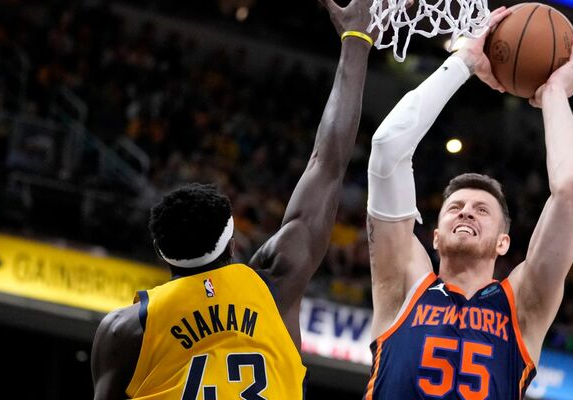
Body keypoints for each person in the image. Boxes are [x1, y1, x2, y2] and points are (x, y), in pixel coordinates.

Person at [90, 0, 378, 398]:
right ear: (232, 239)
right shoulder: (273, 284)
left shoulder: (125, 329)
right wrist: (356, 41)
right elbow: (326, 163)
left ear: (161, 251)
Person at [363, 6, 573, 399]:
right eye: (455, 207)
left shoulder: (522, 305)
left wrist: (553, 94)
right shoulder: (402, 284)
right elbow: (386, 150)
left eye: (482, 210)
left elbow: (570, 188)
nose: (466, 211)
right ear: (433, 237)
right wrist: (464, 60)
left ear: (504, 243)